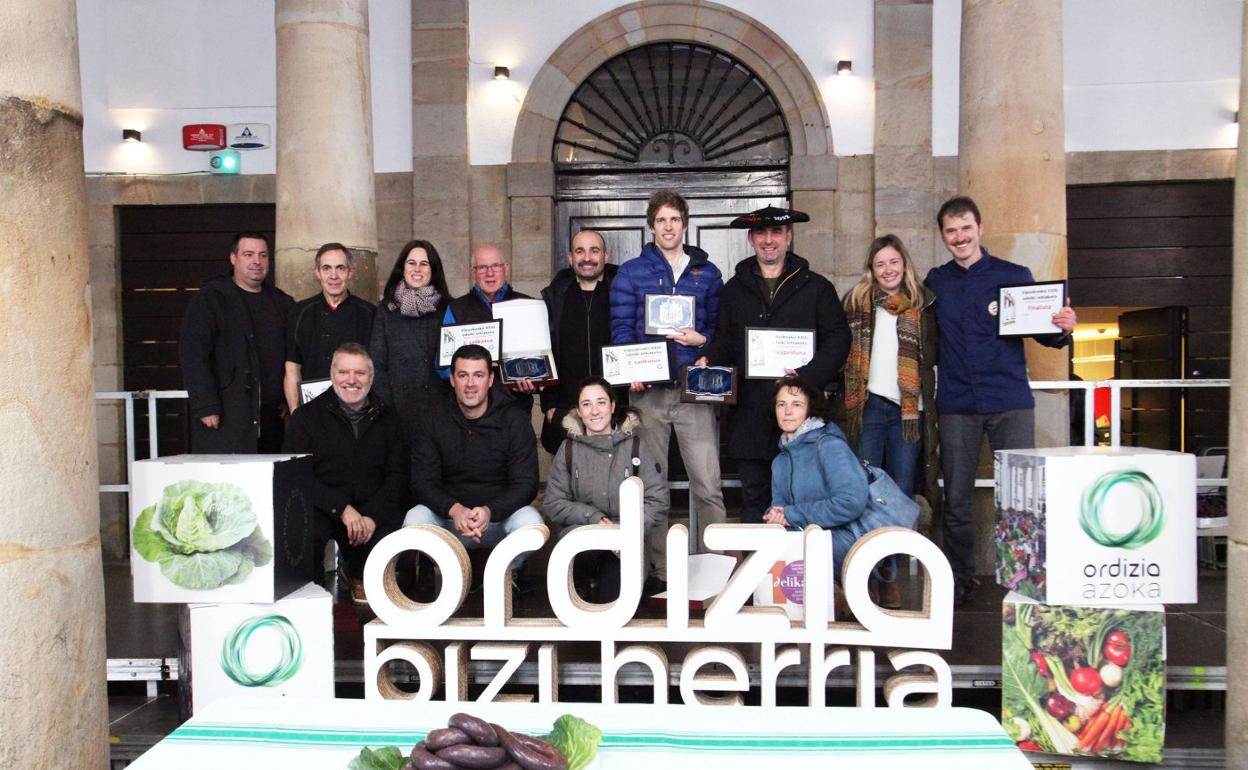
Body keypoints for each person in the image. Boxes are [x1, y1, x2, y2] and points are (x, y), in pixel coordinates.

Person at [925, 196, 1077, 607]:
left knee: (1021, 497)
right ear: (943, 236)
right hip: (957, 404)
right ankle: (959, 581)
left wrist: (1063, 327)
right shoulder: (935, 282)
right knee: (955, 499)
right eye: (951, 230)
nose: (960, 237)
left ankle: (1024, 581)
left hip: (1009, 401)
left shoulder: (1014, 276)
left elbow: (1045, 331)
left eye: (966, 228)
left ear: (980, 228)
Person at [698, 205, 850, 525]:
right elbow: (726, 338)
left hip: (801, 417)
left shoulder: (817, 287)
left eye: (776, 233)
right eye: (762, 234)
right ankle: (757, 573)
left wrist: (806, 378)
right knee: (754, 497)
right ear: (751, 239)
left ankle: (797, 573)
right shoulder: (733, 290)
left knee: (803, 497)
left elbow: (838, 340)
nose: (769, 240)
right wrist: (708, 359)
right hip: (750, 416)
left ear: (789, 237)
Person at [609, 189, 723, 590]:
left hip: (694, 391)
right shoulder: (630, 272)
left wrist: (704, 345)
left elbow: (718, 327)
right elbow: (622, 330)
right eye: (661, 220)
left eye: (675, 220)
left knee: (707, 484)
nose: (668, 227)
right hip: (648, 394)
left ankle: (717, 571)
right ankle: (659, 573)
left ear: (686, 224)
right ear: (651, 225)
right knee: (650, 488)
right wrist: (629, 371)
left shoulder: (707, 273)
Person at [282, 343, 409, 603]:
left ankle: (358, 574)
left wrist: (372, 517)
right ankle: (310, 600)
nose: (352, 380)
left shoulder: (390, 418)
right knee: (303, 534)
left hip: (371, 508)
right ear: (332, 375)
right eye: (344, 372)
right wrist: (341, 509)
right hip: (324, 506)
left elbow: (398, 477)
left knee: (389, 549)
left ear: (371, 378)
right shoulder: (305, 418)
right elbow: (297, 476)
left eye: (360, 373)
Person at [767, 376, 915, 596]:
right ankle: (833, 598)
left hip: (850, 534)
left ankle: (845, 594)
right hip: (812, 534)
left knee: (800, 549)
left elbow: (851, 502)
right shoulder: (780, 462)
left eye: (796, 404)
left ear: (810, 410)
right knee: (771, 543)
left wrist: (793, 514)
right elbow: (781, 508)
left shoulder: (829, 446)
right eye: (782, 404)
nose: (787, 411)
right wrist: (775, 515)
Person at [406, 344, 543, 574]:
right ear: (452, 380)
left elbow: (526, 484)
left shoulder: (514, 420)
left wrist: (490, 511)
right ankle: (452, 574)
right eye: (463, 375)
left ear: (490, 379)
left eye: (478, 375)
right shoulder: (432, 419)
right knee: (414, 519)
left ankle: (503, 573)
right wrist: (454, 509)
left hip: (498, 520)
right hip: (449, 521)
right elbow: (421, 481)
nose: (470, 384)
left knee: (531, 523)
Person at [544, 377, 668, 602]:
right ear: (579, 412)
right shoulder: (568, 448)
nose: (594, 411)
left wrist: (625, 532)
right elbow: (554, 502)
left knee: (616, 599)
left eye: (601, 402)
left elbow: (657, 501)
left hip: (625, 543)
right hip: (581, 540)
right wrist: (594, 518)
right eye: (586, 404)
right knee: (576, 601)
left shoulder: (636, 446)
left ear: (612, 406)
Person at [179, 232, 294, 453]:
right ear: (233, 258)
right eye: (248, 254)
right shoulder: (211, 299)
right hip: (223, 416)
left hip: (271, 419)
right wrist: (205, 405)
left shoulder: (281, 303)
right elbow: (193, 354)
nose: (256, 262)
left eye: (263, 255)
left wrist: (288, 399)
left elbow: (294, 354)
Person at [538, 230, 619, 455]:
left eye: (594, 251)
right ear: (570, 257)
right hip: (566, 411)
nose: (587, 258)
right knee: (568, 483)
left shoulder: (621, 295)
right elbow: (546, 351)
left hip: (615, 410)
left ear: (606, 255)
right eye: (579, 251)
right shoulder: (554, 298)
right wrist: (549, 407)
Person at [369, 240, 451, 441]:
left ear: (433, 270)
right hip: (396, 412)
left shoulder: (448, 309)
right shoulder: (386, 310)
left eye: (424, 264)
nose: (417, 269)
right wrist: (387, 407)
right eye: (411, 263)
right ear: (402, 268)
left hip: (440, 411)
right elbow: (377, 365)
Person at [441, 243, 535, 412]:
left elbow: (537, 356)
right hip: (469, 410)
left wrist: (534, 381)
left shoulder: (526, 305)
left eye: (495, 266)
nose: (490, 273)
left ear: (506, 268)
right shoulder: (456, 308)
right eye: (482, 267)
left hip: (515, 407)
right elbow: (444, 368)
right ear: (473, 273)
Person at [284, 242, 375, 413]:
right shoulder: (299, 312)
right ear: (317, 273)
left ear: (350, 272)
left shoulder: (369, 314)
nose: (334, 275)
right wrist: (296, 414)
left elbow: (375, 368)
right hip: (312, 411)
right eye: (326, 268)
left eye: (340, 268)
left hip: (357, 410)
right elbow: (292, 368)